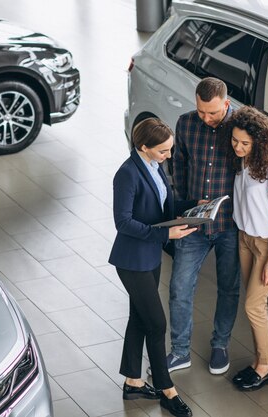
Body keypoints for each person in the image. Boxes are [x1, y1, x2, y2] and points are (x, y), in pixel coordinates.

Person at [167, 77, 268, 375]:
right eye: (200, 111)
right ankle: (180, 351)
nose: (206, 118)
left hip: (230, 227)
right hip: (194, 223)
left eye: (212, 112)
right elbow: (179, 166)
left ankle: (220, 346)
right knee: (180, 287)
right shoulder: (185, 124)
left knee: (229, 288)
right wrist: (183, 207)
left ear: (226, 103)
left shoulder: (240, 128)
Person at [109, 118, 197, 417]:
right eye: (163, 151)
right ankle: (166, 389)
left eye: (169, 150)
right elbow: (123, 222)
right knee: (157, 323)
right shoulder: (127, 174)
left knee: (140, 317)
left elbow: (164, 206)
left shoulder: (155, 166)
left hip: (151, 256)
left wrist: (196, 205)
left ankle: (133, 381)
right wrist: (164, 234)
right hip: (132, 261)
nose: (168, 156)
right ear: (143, 147)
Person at [227, 106, 268, 390]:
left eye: (245, 143)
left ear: (259, 142)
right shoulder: (241, 159)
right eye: (235, 140)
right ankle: (258, 361)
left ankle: (265, 367)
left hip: (267, 243)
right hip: (245, 238)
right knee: (255, 305)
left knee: (253, 304)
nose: (238, 147)